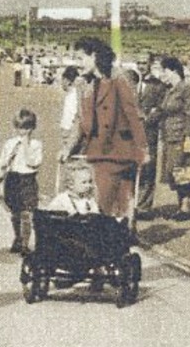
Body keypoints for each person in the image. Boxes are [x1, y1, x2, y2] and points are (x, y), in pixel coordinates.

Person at [69, 38, 148, 219]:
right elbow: (80, 120)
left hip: (120, 151)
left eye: (81, 58)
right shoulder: (82, 84)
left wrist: (143, 148)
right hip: (98, 150)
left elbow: (134, 115)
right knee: (108, 202)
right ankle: (117, 239)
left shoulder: (120, 78)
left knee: (119, 201)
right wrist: (68, 148)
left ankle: (120, 238)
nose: (78, 64)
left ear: (94, 56)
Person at [151, 55, 190, 219]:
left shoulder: (186, 88)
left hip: (180, 135)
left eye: (163, 71)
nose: (162, 75)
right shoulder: (169, 90)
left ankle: (185, 207)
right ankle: (181, 206)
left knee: (183, 170)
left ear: (173, 70)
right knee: (174, 171)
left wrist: (188, 138)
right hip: (169, 135)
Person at [0, 108, 44, 254]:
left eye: (27, 128)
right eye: (20, 128)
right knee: (15, 212)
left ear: (32, 128)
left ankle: (25, 243)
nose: (23, 131)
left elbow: (33, 162)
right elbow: (3, 163)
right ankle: (17, 237)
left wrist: (26, 144)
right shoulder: (10, 144)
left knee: (27, 213)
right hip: (13, 178)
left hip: (28, 179)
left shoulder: (36, 144)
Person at [135, 56, 167, 217]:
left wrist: (148, 118)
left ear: (150, 64)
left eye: (143, 63)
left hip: (149, 132)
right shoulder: (132, 83)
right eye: (139, 63)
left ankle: (145, 207)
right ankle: (134, 203)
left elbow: (162, 108)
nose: (141, 66)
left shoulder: (158, 86)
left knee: (148, 168)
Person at [55, 66, 82, 189]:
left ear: (67, 80)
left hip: (71, 133)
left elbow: (76, 119)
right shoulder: (72, 95)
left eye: (62, 80)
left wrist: (69, 136)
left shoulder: (74, 97)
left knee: (71, 164)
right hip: (68, 132)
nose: (62, 84)